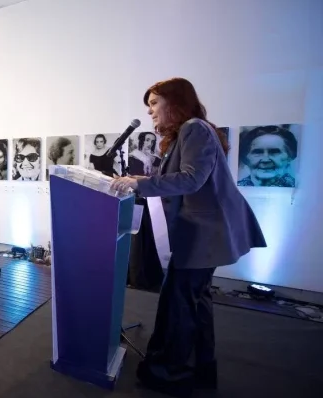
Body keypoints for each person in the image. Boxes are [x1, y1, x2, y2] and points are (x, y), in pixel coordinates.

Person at [111, 78, 266, 397]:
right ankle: (199, 371)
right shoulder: (192, 131)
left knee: (180, 305)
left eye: (154, 103)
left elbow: (192, 179)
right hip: (203, 235)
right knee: (195, 303)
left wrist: (139, 184)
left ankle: (173, 375)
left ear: (175, 102)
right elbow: (183, 178)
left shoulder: (194, 128)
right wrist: (142, 180)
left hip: (203, 236)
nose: (150, 112)